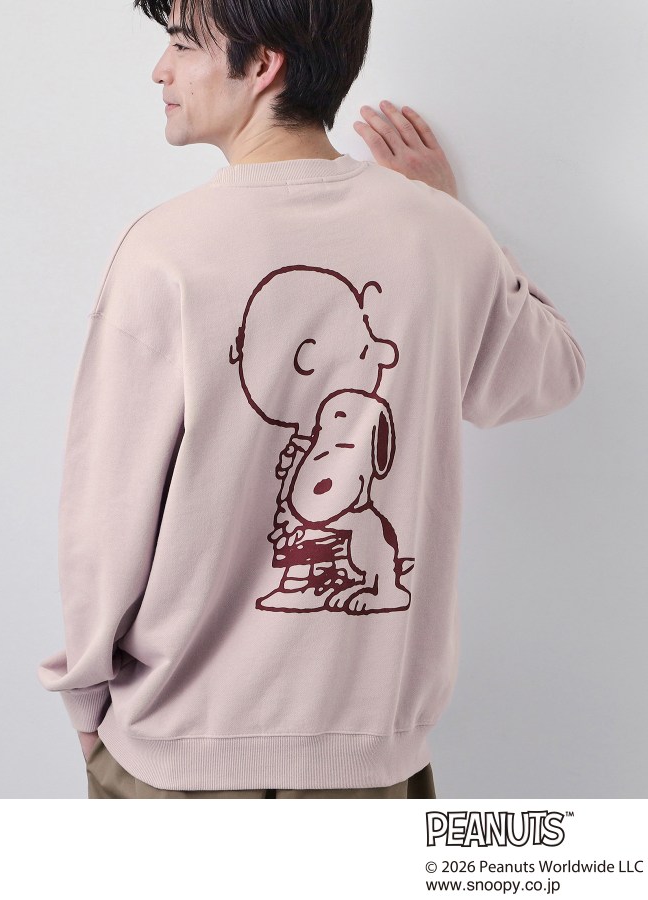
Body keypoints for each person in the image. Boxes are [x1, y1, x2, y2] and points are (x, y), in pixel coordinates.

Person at [37, 0, 586, 799]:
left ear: (263, 65)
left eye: (183, 44)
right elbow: (548, 373)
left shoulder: (164, 252)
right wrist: (451, 217)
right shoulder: (440, 236)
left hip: (178, 751)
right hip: (367, 763)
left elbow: (106, 509)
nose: (161, 70)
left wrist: (83, 693)